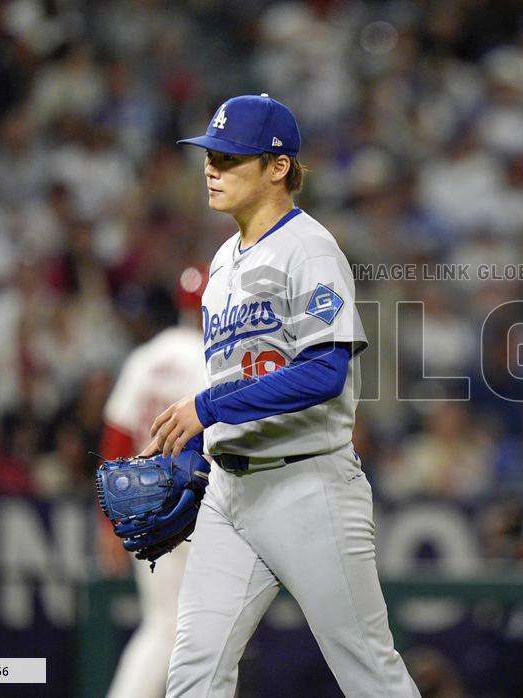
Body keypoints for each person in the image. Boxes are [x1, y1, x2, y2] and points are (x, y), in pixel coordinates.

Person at [141, 94, 420, 696]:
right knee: (193, 671)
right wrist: (200, 446)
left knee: (369, 672)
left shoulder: (309, 248)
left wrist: (206, 409)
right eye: (209, 155)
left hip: (307, 487)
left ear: (277, 166)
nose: (211, 168)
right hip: (229, 493)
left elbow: (326, 373)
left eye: (229, 157)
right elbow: (234, 381)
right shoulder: (221, 261)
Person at [98, 266, 209, 698]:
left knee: (171, 624)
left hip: (141, 500)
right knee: (178, 628)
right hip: (190, 504)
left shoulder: (145, 357)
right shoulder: (210, 358)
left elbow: (117, 437)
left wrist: (107, 517)